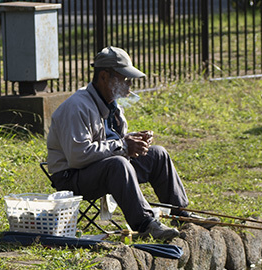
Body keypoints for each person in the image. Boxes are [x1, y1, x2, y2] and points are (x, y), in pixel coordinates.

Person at [46, 46, 191, 241]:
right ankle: (146, 224)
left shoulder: (113, 104)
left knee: (158, 155)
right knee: (119, 164)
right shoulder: (77, 107)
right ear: (104, 76)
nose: (129, 85)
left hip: (106, 167)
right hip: (72, 177)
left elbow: (111, 141)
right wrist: (123, 146)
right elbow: (78, 156)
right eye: (124, 78)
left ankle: (181, 215)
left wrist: (134, 141)